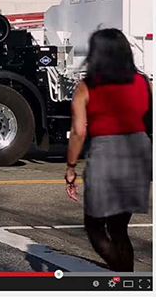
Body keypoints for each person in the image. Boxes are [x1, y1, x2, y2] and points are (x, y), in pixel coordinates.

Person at [65, 28, 152, 272]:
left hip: (106, 153)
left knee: (94, 225)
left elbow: (79, 131)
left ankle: (120, 272)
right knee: (119, 227)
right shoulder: (144, 83)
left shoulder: (87, 87)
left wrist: (71, 167)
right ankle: (127, 278)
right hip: (139, 153)